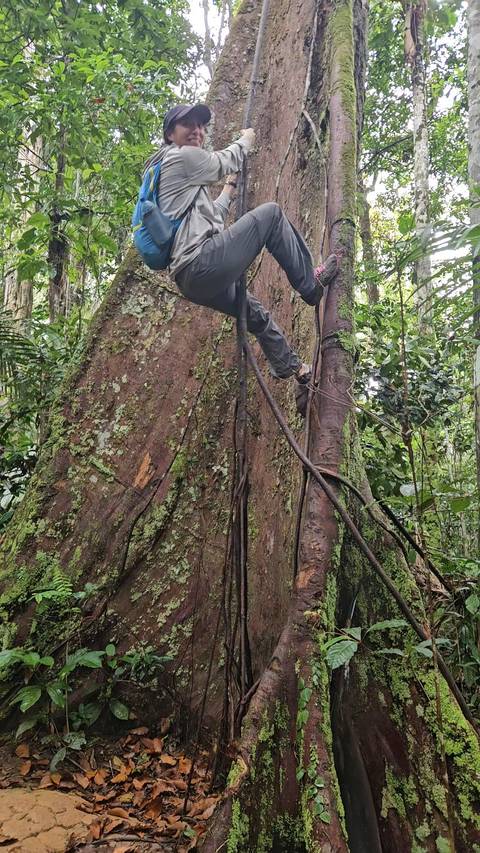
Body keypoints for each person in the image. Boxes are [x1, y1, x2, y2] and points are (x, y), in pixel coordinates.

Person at [144, 102, 338, 402]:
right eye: (188, 125)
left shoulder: (167, 171)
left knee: (254, 313)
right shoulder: (179, 157)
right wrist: (245, 140)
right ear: (170, 134)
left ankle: (297, 371)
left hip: (191, 280)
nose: (197, 131)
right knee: (272, 214)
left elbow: (211, 218)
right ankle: (310, 286)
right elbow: (222, 161)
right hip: (202, 263)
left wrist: (228, 189)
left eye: (201, 126)